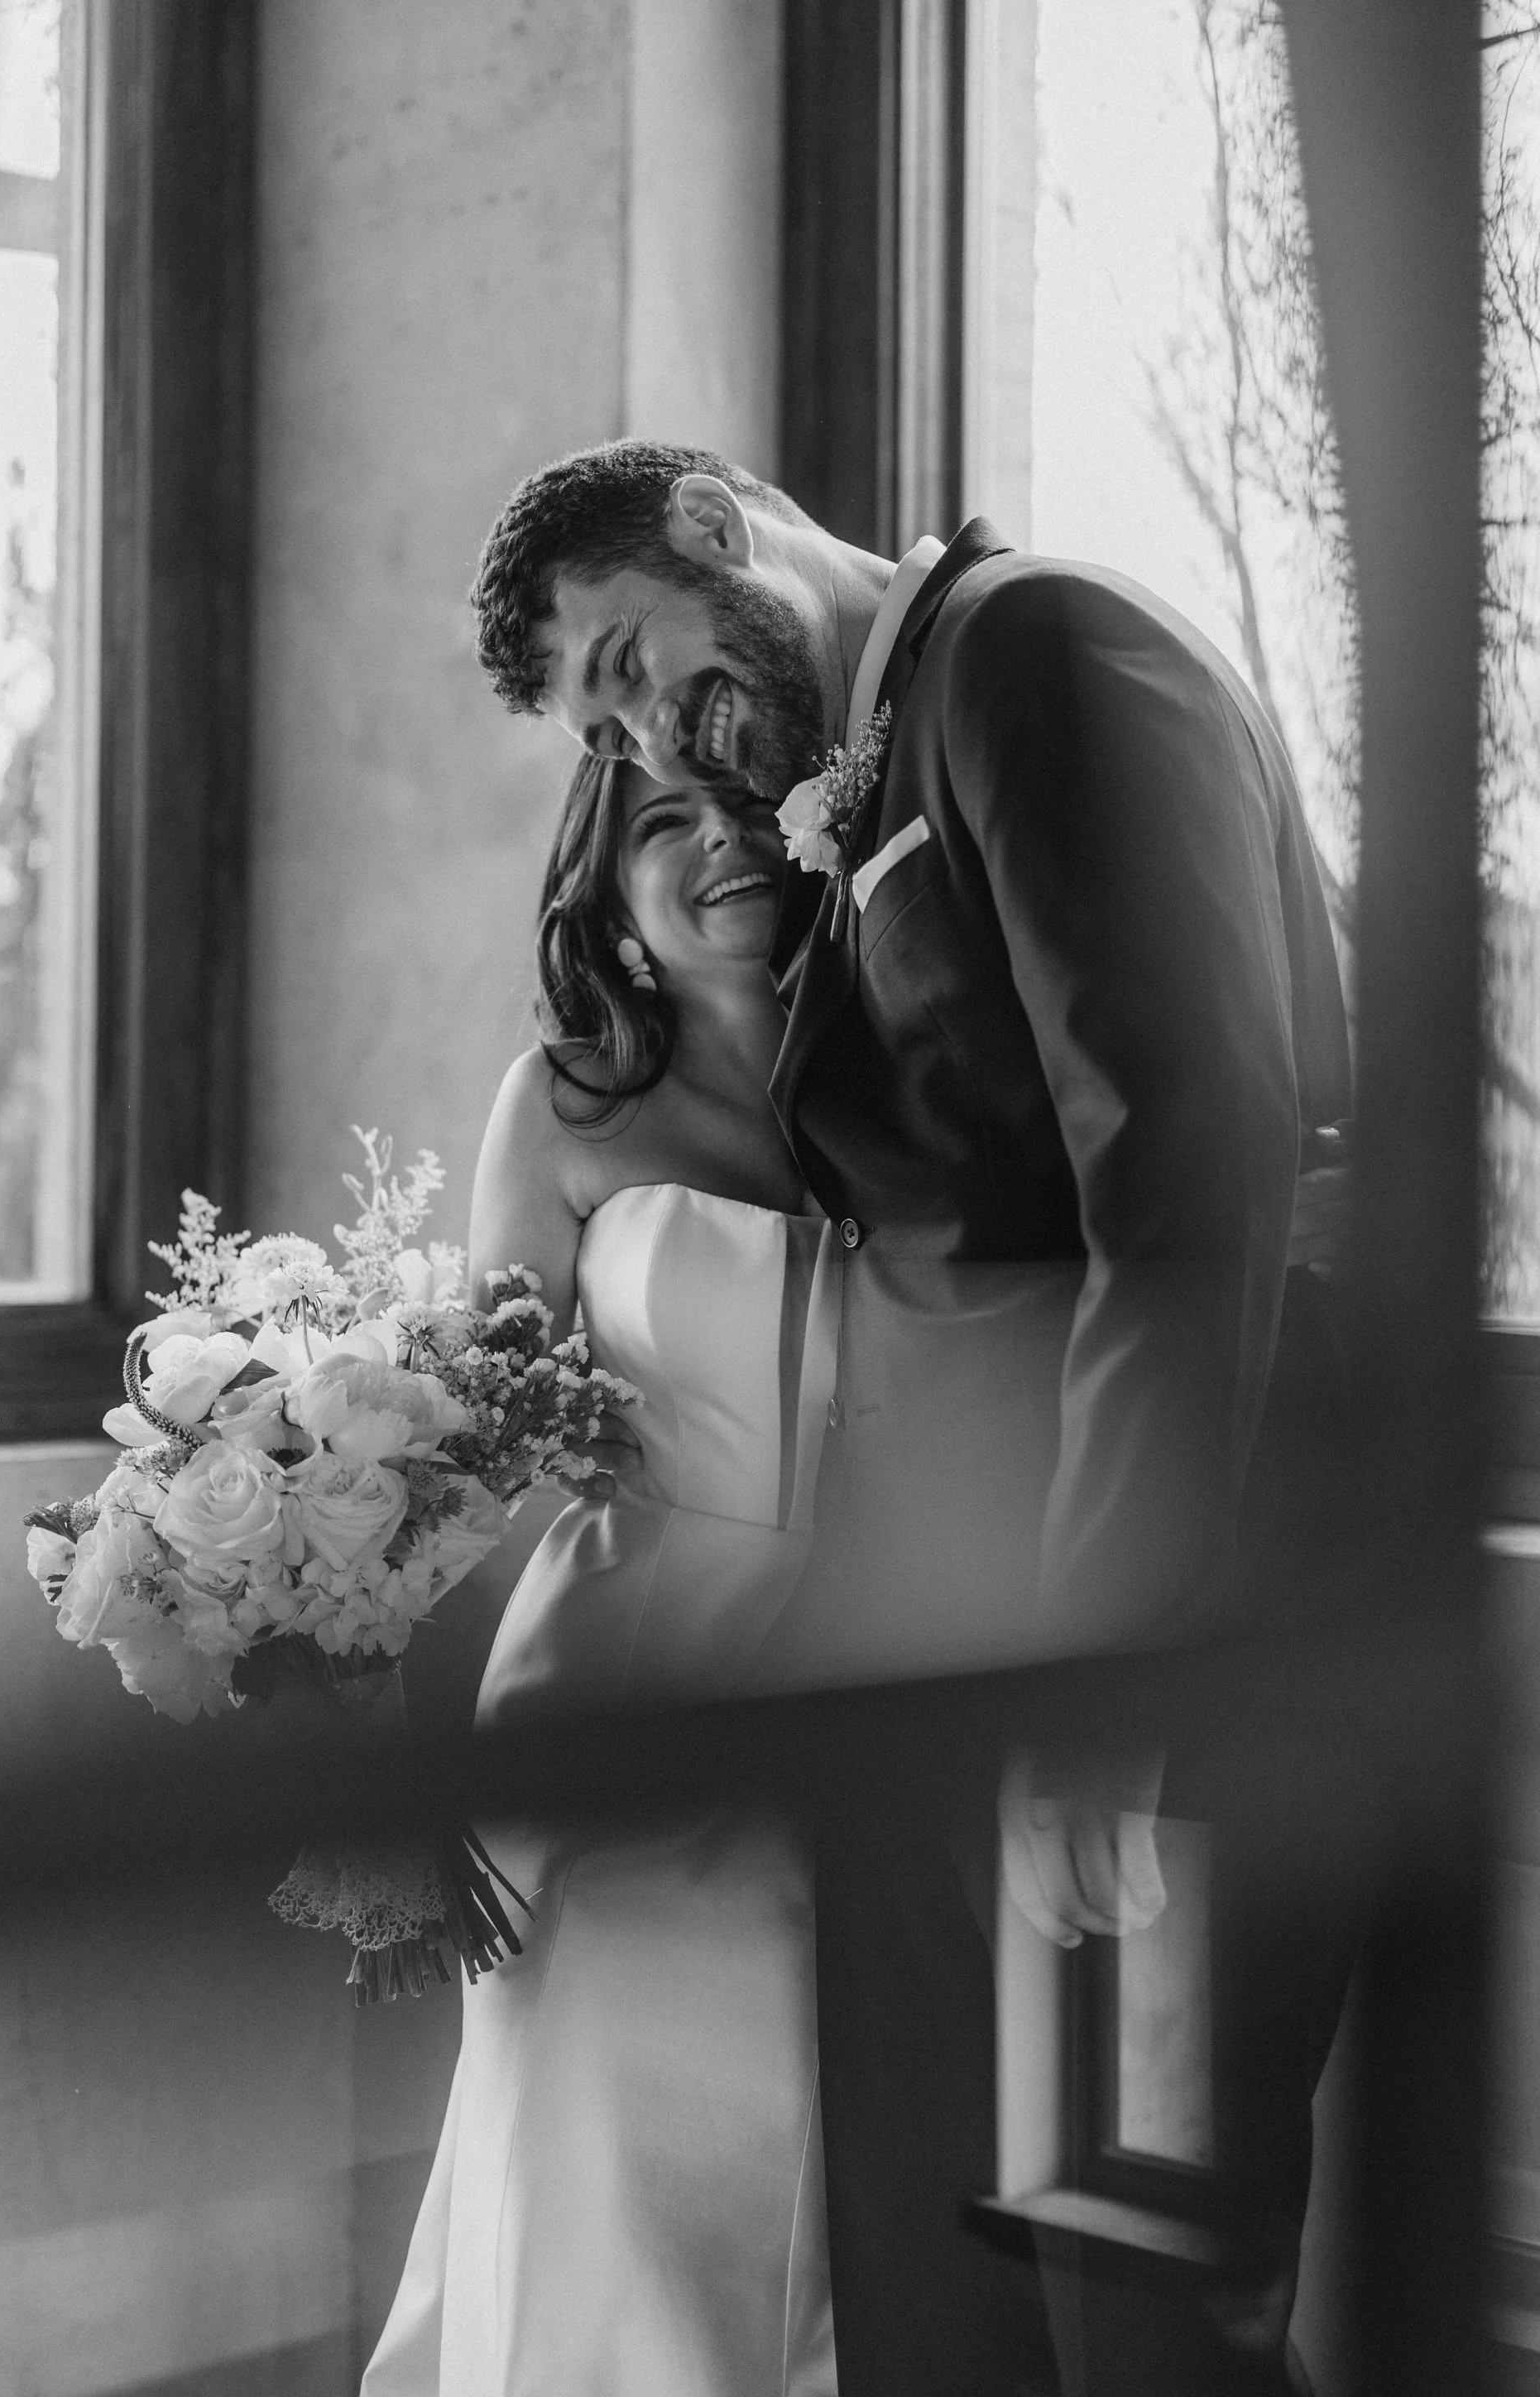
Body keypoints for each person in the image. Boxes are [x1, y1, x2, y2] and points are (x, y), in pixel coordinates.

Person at [463, 440, 1355, 2397]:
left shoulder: (1043, 658)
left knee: (1130, 2285)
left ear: (720, 527)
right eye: (611, 736)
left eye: (637, 663)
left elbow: (1180, 1167)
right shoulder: (851, 771)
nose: (667, 750)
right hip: (944, 1659)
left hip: (1149, 1611)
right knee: (934, 2283)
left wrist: (1102, 1662)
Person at [362, 753, 858, 2395]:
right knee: (612, 2198)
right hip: (621, 1693)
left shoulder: (908, 1091)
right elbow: (461, 1446)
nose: (717, 839)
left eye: (739, 800)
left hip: (872, 1687)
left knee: (818, 2206)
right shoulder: (569, 1102)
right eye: (660, 822)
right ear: (612, 899)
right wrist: (428, 1761)